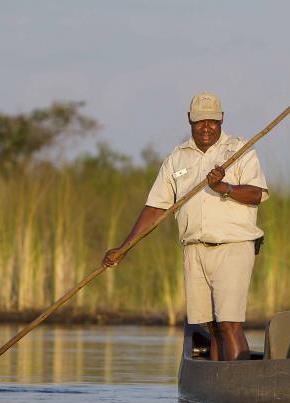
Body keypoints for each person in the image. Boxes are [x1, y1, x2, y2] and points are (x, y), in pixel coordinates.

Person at [103, 92, 269, 361]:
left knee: (229, 323)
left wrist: (223, 187)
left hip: (233, 247)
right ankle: (216, 388)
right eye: (200, 121)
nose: (206, 127)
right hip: (194, 248)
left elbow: (257, 194)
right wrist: (124, 248)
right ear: (189, 120)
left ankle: (237, 381)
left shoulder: (240, 151)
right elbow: (156, 208)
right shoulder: (176, 159)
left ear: (222, 119)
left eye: (212, 121)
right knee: (210, 326)